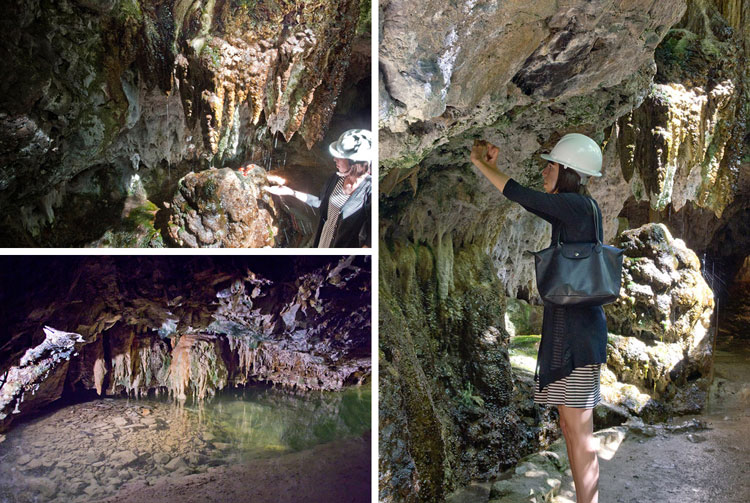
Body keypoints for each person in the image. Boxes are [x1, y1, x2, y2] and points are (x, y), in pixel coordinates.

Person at [470, 133, 606, 503]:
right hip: (571, 332)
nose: (544, 171)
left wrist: (482, 164)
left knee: (579, 432)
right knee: (569, 426)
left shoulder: (576, 206)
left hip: (577, 338)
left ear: (568, 171)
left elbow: (520, 194)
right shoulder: (576, 210)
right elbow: (529, 199)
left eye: (551, 165)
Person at [264, 129, 371, 248]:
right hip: (323, 242)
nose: (334, 159)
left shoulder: (369, 191)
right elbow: (321, 203)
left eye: (339, 157)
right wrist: (290, 192)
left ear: (354, 162)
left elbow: (370, 238)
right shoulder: (336, 179)